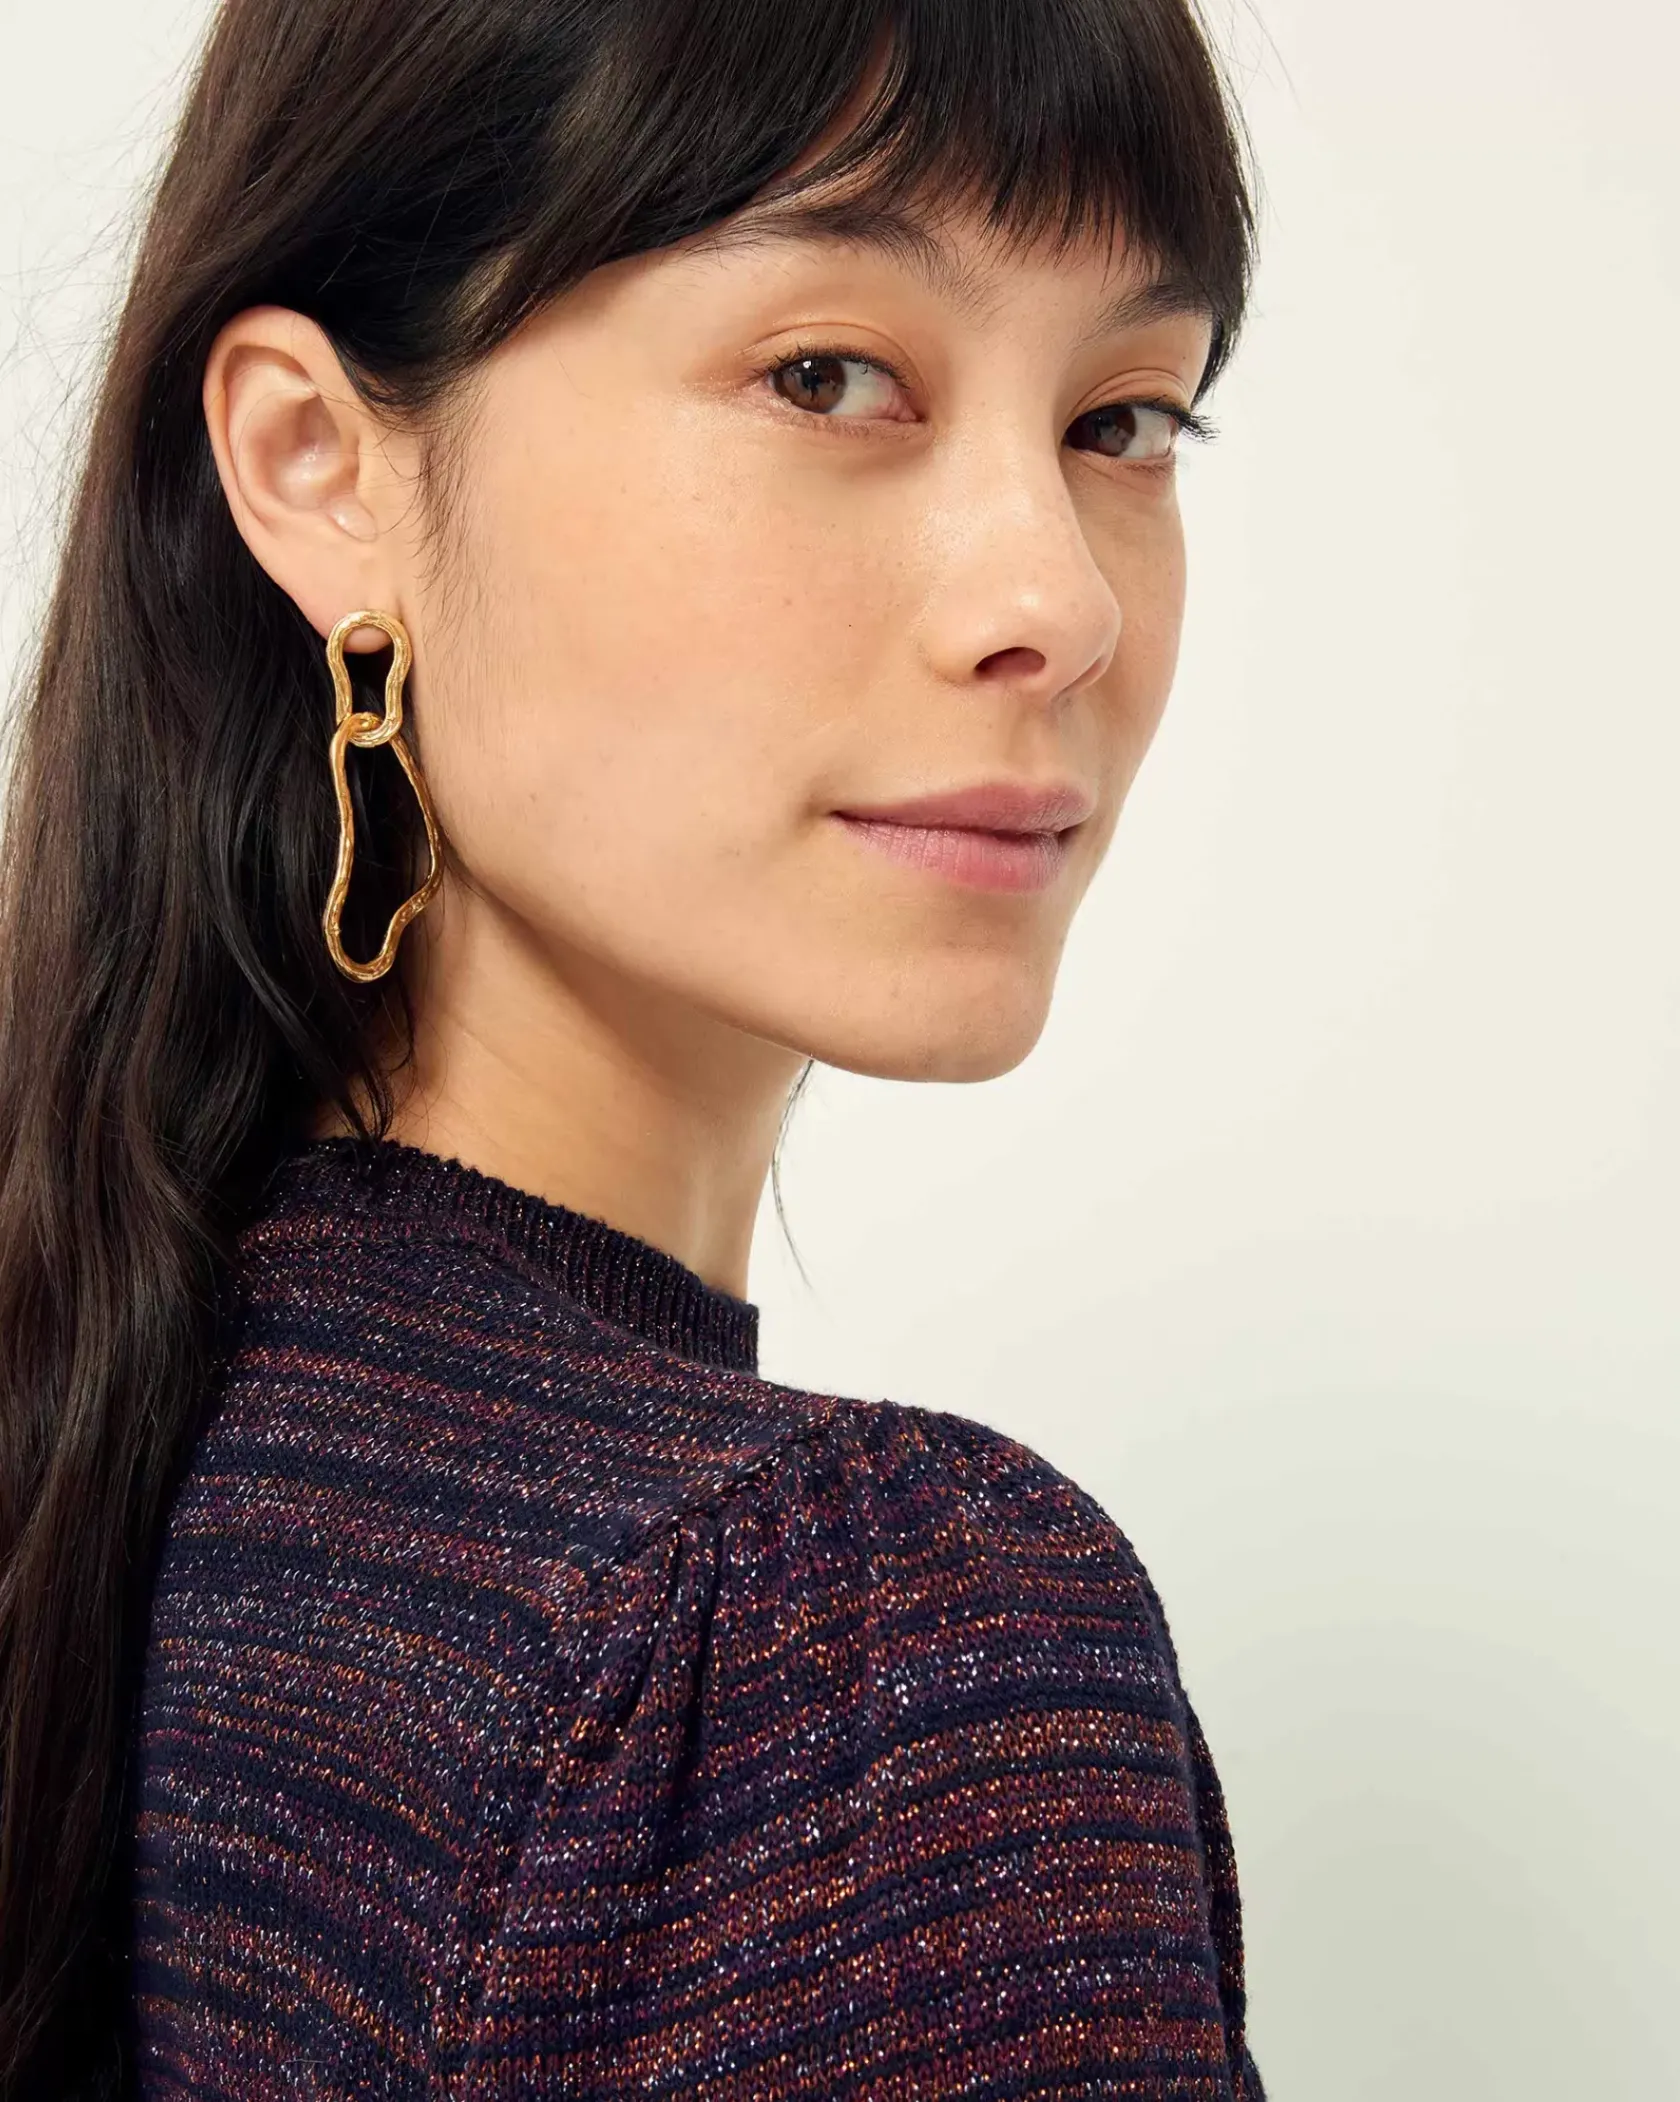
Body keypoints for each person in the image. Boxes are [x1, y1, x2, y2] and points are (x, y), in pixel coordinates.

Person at [0, 0, 1262, 2093]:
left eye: (1123, 418)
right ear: (320, 464)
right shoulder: (831, 1638)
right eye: (828, 376)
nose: (1055, 600)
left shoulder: (130, 1445)